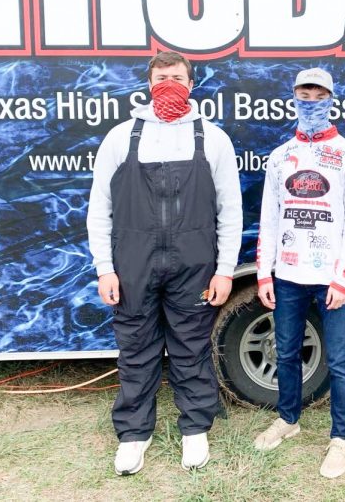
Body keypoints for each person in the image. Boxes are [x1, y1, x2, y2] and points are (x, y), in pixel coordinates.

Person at [87, 51, 242, 475]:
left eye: (176, 77)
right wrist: (105, 267)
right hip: (133, 262)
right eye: (160, 78)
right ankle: (134, 434)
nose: (168, 84)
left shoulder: (212, 138)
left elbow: (230, 210)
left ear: (191, 85)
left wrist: (225, 270)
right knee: (136, 350)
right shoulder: (121, 137)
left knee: (191, 349)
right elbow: (99, 208)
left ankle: (195, 429)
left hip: (194, 263)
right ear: (148, 84)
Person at [252, 68, 345, 479]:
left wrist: (342, 277)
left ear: (331, 99)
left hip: (332, 277)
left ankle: (341, 439)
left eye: (320, 92)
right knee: (285, 352)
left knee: (339, 361)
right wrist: (264, 274)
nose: (312, 98)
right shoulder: (280, 156)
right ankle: (288, 420)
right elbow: (269, 217)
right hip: (287, 274)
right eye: (305, 91)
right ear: (294, 96)